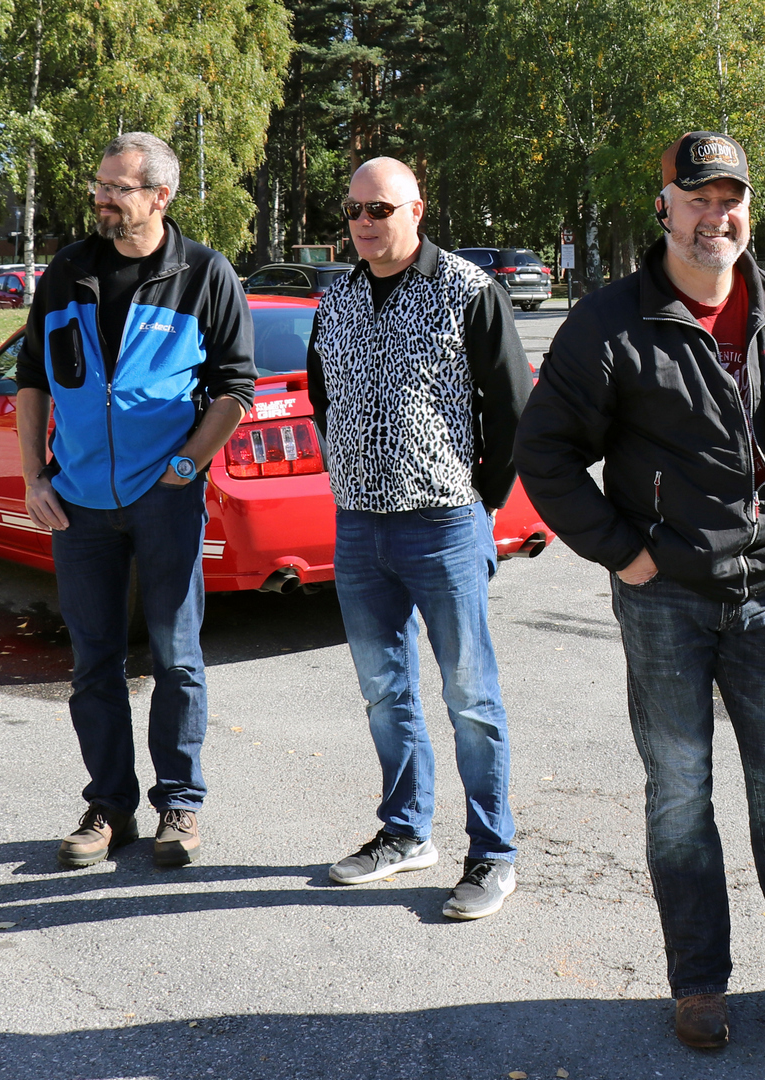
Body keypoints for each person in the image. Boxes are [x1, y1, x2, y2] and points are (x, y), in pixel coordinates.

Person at [515, 132, 765, 1050]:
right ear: (664, 209)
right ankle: (699, 985)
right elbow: (545, 453)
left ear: (747, 211)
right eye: (697, 200)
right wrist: (625, 555)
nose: (714, 217)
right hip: (665, 601)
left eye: (730, 200)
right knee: (681, 796)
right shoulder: (610, 324)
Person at [17, 132, 257, 869]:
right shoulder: (67, 272)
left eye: (117, 188)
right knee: (94, 662)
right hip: (79, 503)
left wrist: (187, 465)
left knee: (177, 657)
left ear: (160, 196)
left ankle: (179, 803)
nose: (102, 198)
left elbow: (236, 388)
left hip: (165, 500)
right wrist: (33, 477)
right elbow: (33, 380)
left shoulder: (205, 274)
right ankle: (110, 807)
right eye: (99, 184)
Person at [308, 157, 533, 921]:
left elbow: (512, 409)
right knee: (383, 691)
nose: (364, 223)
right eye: (353, 211)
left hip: (443, 524)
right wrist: (352, 471)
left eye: (379, 209)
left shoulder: (468, 290)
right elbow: (323, 398)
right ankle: (405, 833)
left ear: (416, 210)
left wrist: (482, 503)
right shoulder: (336, 300)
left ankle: (493, 854)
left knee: (471, 697)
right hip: (358, 526)